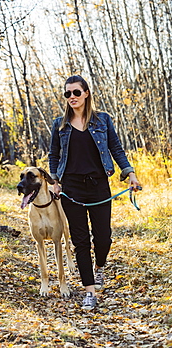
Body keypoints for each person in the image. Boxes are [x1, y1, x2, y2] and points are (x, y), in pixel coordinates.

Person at [48, 75, 139, 310]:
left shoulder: (103, 121)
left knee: (103, 238)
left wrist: (130, 174)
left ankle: (99, 268)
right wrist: (55, 181)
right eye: (67, 94)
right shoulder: (60, 125)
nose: (72, 98)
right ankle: (89, 291)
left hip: (99, 185)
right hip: (72, 188)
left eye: (76, 93)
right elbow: (54, 156)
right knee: (80, 242)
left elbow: (116, 149)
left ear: (86, 93)